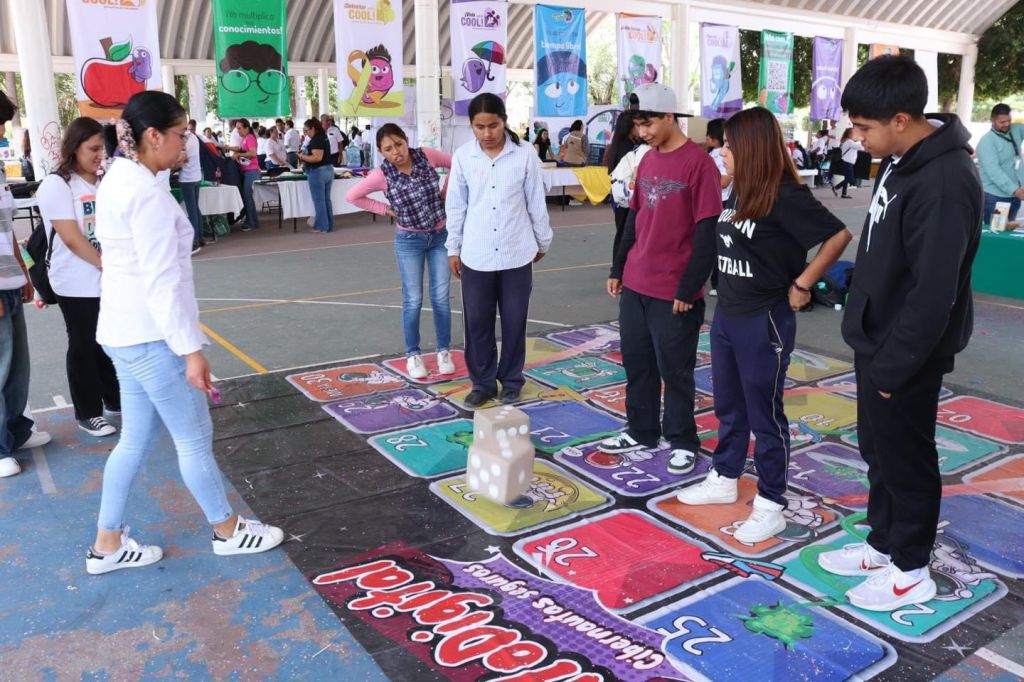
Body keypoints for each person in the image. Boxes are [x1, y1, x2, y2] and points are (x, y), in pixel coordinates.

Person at [87, 91, 284, 574]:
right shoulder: (142, 193)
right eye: (179, 134)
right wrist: (190, 350)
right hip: (153, 337)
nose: (186, 144)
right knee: (193, 439)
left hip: (123, 331)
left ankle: (107, 543)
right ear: (152, 136)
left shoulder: (120, 179)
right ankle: (228, 530)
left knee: (134, 440)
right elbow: (162, 282)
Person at [815, 56, 982, 611]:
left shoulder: (946, 180)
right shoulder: (900, 158)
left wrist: (893, 366)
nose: (856, 139)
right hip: (876, 336)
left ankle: (911, 570)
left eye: (864, 129)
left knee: (907, 459)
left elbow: (935, 292)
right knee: (878, 450)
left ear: (903, 119)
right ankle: (885, 544)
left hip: (906, 351)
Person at [675, 107, 852, 542]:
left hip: (763, 321)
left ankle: (771, 501)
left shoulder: (784, 194)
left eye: (730, 146)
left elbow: (838, 235)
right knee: (728, 405)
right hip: (728, 317)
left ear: (750, 148)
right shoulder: (737, 191)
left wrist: (804, 282)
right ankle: (725, 476)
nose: (723, 153)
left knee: (765, 414)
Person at [599, 83, 721, 474]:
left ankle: (683, 438)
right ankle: (642, 429)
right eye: (638, 125)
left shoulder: (698, 164)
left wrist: (690, 285)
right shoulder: (646, 159)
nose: (643, 132)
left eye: (648, 123)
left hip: (674, 291)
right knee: (637, 362)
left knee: (675, 368)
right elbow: (634, 217)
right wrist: (619, 268)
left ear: (670, 117)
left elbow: (707, 230)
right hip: (636, 283)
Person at [446, 93, 553, 407]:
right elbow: (456, 205)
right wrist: (453, 247)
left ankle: (510, 380)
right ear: (471, 127)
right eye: (479, 127)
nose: (487, 133)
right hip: (476, 255)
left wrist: (542, 240)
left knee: (514, 320)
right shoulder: (464, 157)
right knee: (477, 322)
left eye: (493, 125)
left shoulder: (525, 156)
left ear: (504, 121)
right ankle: (481, 383)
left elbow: (536, 202)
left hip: (516, 252)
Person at [346, 124, 456, 380]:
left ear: (407, 141)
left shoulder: (427, 155)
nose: (396, 152)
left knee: (440, 297)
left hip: (440, 236)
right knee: (413, 299)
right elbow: (354, 196)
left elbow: (457, 164)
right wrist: (385, 210)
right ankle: (413, 354)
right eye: (388, 149)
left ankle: (444, 351)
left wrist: (445, 192)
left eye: (398, 144)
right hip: (409, 241)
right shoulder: (380, 175)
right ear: (381, 152)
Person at [36, 118, 123, 438]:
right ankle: (88, 412)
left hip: (106, 277)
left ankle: (114, 400)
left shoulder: (105, 181)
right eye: (93, 149)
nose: (101, 154)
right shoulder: (57, 185)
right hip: (75, 280)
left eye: (103, 148)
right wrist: (105, 265)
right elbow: (71, 238)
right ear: (74, 148)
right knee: (84, 344)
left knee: (109, 342)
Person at [0, 89, 51, 479]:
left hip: (9, 278)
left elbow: (8, 229)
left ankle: (17, 431)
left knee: (17, 365)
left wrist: (25, 270)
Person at [606, 111, 648, 262]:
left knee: (622, 231)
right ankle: (620, 267)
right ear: (630, 127)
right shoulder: (628, 147)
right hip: (627, 194)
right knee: (626, 233)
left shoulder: (617, 145)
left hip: (619, 195)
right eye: (637, 125)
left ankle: (619, 266)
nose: (641, 129)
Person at [976, 103, 1024, 224]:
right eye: (1002, 122)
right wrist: (1015, 190)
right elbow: (994, 172)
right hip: (996, 198)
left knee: (1008, 232)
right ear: (992, 121)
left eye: (1009, 120)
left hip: (1015, 195)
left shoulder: (1016, 129)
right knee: (997, 232)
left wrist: (1017, 191)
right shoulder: (986, 142)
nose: (1007, 124)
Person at [297, 118, 334, 233]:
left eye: (307, 130)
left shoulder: (316, 139)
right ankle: (328, 225)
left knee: (319, 201)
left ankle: (322, 226)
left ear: (313, 128)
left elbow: (317, 158)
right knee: (326, 200)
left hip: (318, 171)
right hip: (328, 170)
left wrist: (302, 157)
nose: (306, 133)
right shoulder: (323, 137)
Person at [229, 119, 260, 231]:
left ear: (246, 128)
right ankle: (252, 221)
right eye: (236, 128)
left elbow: (252, 153)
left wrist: (238, 154)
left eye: (239, 128)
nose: (237, 131)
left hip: (251, 171)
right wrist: (224, 147)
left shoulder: (250, 138)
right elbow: (238, 149)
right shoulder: (244, 139)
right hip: (247, 171)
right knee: (247, 197)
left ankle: (251, 222)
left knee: (247, 196)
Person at [180, 121, 204, 252]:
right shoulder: (194, 137)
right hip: (196, 176)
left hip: (187, 178)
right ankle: (200, 237)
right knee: (195, 207)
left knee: (191, 210)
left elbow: (182, 158)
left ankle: (194, 240)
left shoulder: (184, 139)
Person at [832, 128, 860, 198]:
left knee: (847, 178)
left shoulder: (847, 141)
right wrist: (862, 141)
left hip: (847, 162)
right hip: (847, 162)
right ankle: (836, 187)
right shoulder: (850, 141)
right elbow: (860, 147)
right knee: (850, 178)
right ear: (850, 134)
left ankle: (844, 193)